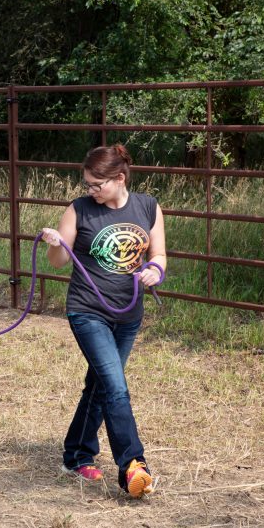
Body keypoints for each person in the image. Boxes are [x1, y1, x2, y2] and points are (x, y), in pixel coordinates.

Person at [40, 144, 166, 498]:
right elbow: (57, 262)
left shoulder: (148, 207)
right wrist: (54, 243)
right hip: (88, 311)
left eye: (97, 185)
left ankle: (77, 452)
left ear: (119, 179)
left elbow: (158, 253)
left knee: (100, 385)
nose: (90, 191)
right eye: (87, 184)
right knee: (115, 387)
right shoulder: (79, 209)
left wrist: (156, 271)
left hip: (128, 315)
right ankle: (133, 465)